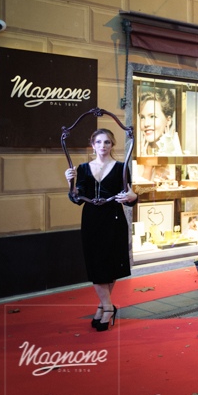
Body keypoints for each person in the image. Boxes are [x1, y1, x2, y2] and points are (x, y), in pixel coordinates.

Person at [64, 129, 138, 332]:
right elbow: (77, 197)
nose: (103, 146)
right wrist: (70, 182)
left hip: (114, 219)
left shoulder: (121, 167)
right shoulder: (83, 168)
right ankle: (108, 307)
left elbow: (129, 195)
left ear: (112, 145)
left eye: (107, 142)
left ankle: (103, 307)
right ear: (93, 145)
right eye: (98, 142)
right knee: (96, 265)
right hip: (91, 220)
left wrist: (132, 197)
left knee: (111, 264)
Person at [138, 87, 181, 157]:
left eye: (152, 116)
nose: (146, 124)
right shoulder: (135, 151)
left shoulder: (175, 153)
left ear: (168, 120)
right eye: (142, 117)